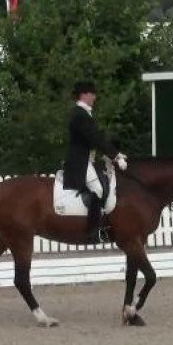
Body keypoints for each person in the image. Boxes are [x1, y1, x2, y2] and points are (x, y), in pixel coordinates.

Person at [63, 81, 128, 242]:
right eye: (92, 94)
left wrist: (112, 154)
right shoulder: (80, 114)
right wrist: (116, 156)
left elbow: (94, 140)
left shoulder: (83, 113)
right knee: (98, 189)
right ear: (84, 94)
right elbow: (96, 138)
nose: (94, 97)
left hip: (86, 160)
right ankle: (94, 230)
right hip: (79, 162)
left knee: (104, 183)